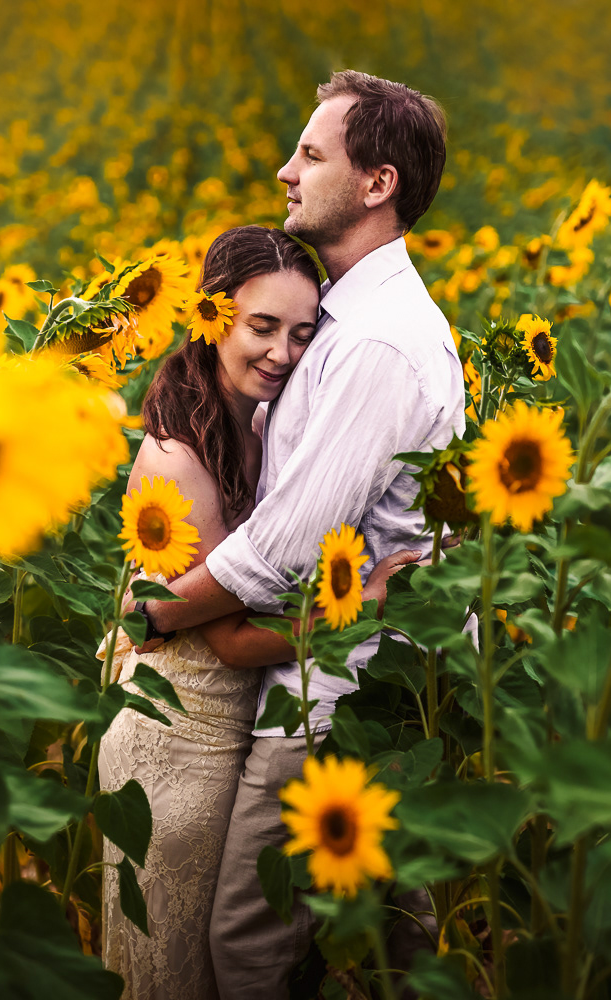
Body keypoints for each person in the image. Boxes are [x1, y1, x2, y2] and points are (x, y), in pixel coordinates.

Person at [132, 71, 462, 998]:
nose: (286, 171)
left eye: (311, 155)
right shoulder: (346, 323)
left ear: (376, 183)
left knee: (252, 943)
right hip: (346, 667)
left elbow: (292, 541)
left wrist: (160, 615)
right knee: (389, 937)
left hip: (340, 684)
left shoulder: (374, 343)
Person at [95, 224, 415, 1000]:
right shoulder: (181, 452)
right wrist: (362, 604)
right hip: (181, 740)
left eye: (302, 334)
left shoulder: (267, 425)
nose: (282, 352)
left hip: (234, 732)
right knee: (174, 975)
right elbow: (235, 642)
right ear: (213, 319)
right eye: (261, 327)